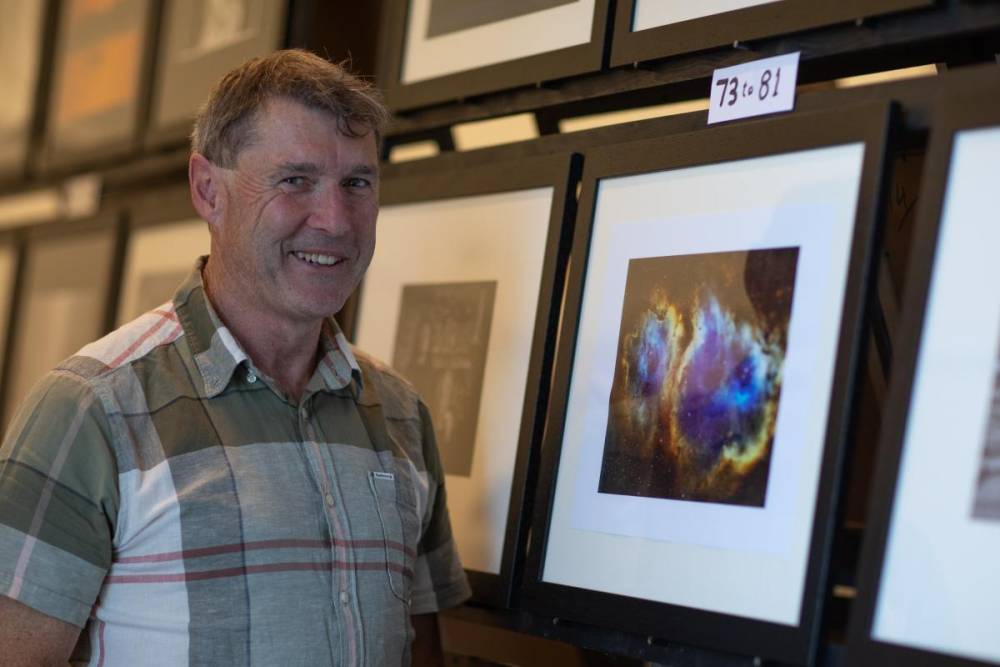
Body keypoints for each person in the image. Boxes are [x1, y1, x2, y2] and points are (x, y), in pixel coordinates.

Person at [0, 49, 470, 666]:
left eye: (356, 183)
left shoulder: (402, 415)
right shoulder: (88, 411)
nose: (334, 221)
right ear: (208, 190)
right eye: (294, 180)